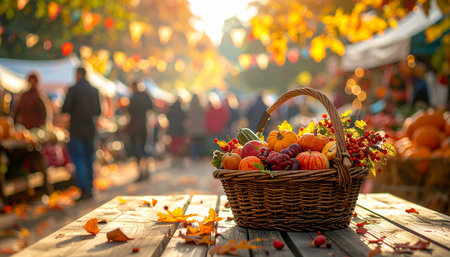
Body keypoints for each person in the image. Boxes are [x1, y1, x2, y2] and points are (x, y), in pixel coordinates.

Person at [62, 67, 101, 200]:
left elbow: (65, 108)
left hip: (76, 129)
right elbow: (98, 111)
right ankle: (90, 187)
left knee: (79, 159)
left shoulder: (73, 89)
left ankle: (84, 188)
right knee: (90, 158)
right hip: (90, 129)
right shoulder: (94, 90)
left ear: (78, 75)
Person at [127, 81, 153, 181]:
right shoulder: (146, 95)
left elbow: (130, 111)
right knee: (145, 148)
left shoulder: (133, 97)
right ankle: (146, 170)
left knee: (137, 150)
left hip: (135, 126)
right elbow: (151, 108)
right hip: (145, 125)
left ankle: (140, 172)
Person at [166, 97, 187, 165]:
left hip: (172, 129)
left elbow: (168, 116)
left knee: (173, 145)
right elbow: (184, 117)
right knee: (180, 145)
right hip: (180, 130)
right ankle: (180, 160)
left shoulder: (171, 107)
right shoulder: (181, 107)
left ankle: (174, 160)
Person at [187, 94, 205, 159]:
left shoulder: (190, 107)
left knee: (193, 143)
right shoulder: (201, 106)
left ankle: (194, 156)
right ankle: (199, 156)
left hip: (192, 128)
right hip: (200, 128)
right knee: (199, 143)